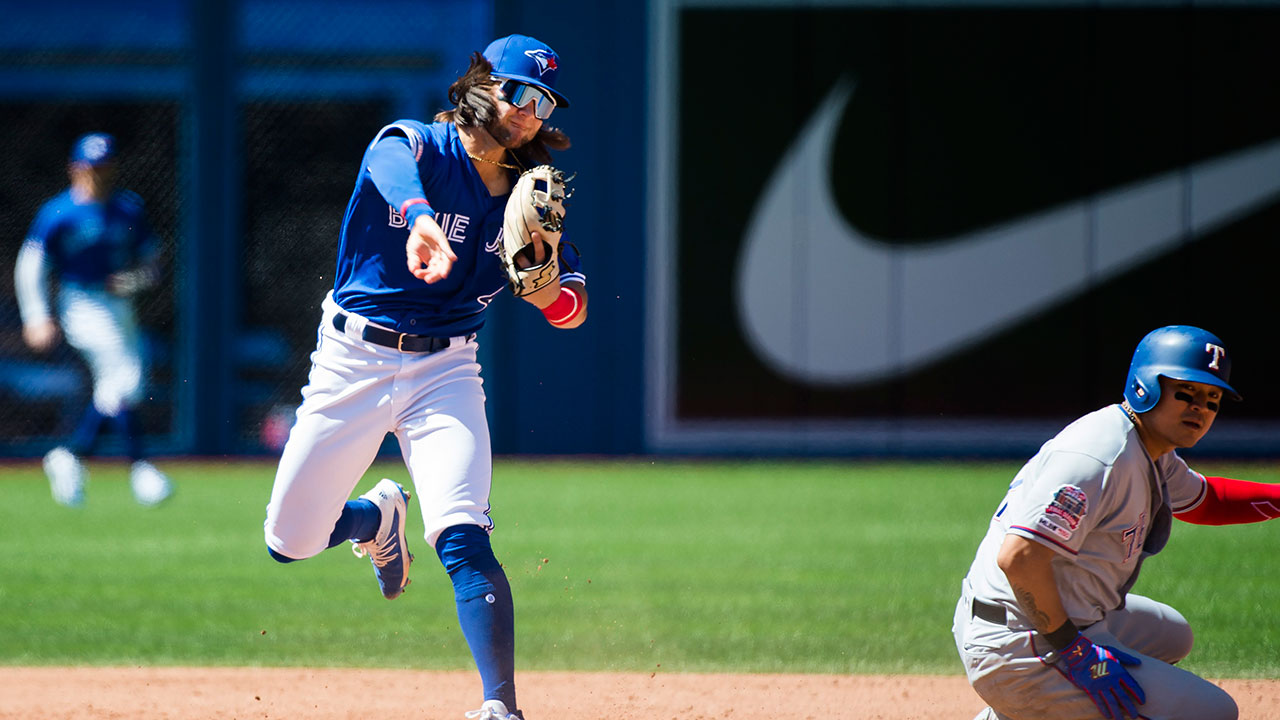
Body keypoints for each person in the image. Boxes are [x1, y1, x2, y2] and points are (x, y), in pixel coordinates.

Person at [262, 34, 586, 720]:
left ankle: (501, 708)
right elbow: (386, 161)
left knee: (463, 535)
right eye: (517, 90)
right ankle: (373, 519)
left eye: (543, 100)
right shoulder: (417, 144)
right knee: (288, 541)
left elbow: (572, 308)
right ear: (478, 84)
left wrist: (547, 292)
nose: (529, 110)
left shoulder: (531, 197)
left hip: (445, 368)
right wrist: (418, 221)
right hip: (353, 360)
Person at [953, 325, 1280, 720]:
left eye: (1213, 399)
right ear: (1145, 385)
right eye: (1187, 392)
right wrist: (1075, 652)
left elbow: (1205, 501)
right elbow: (1020, 557)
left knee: (1172, 634)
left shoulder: (1148, 447)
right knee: (1211, 712)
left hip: (1047, 617)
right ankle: (1025, 694)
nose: (1201, 407)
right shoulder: (1099, 458)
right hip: (1018, 640)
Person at [14, 132, 172, 508]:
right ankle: (141, 467)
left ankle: (72, 455)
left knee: (122, 386)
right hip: (80, 303)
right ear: (75, 169)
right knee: (125, 379)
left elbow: (154, 267)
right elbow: (30, 267)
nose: (98, 175)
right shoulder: (59, 212)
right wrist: (36, 315)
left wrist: (131, 281)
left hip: (120, 307)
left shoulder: (128, 209)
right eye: (91, 167)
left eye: (105, 167)